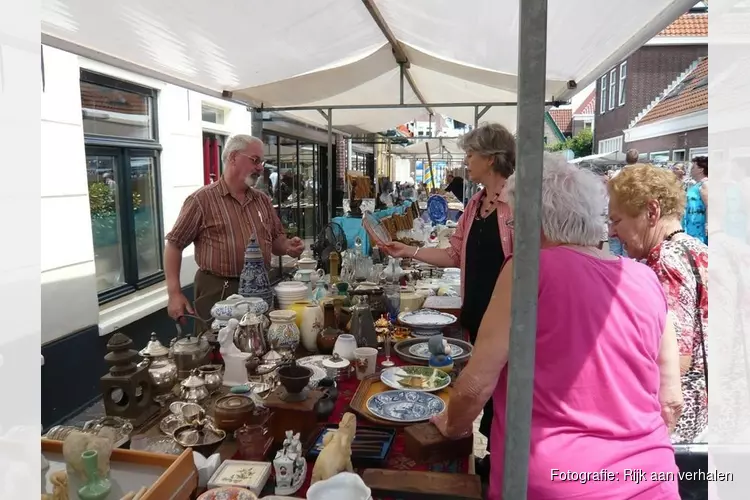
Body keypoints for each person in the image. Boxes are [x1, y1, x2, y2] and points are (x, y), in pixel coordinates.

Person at [431, 155, 682, 499]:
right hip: (652, 479)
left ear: (537, 223)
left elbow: (475, 386)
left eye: (516, 225)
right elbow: (670, 402)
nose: (514, 234)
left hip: (554, 481)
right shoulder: (645, 278)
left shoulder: (529, 271)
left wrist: (451, 424)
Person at [379, 122, 515, 476]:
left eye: (470, 154)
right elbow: (455, 255)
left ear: (492, 157)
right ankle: (492, 468)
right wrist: (408, 251)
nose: (466, 161)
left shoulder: (516, 202)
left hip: (508, 327)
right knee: (490, 403)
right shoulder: (474, 203)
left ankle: (501, 472)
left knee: (507, 406)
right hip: (476, 319)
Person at [608, 164, 708, 444]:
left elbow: (675, 358)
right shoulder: (697, 249)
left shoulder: (665, 262)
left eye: (617, 221)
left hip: (679, 425)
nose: (613, 232)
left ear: (652, 212)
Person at [165, 134, 305, 324]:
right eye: (255, 160)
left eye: (261, 162)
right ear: (233, 158)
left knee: (258, 347)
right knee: (219, 349)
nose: (260, 167)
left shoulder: (262, 200)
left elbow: (276, 242)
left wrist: (288, 246)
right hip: (219, 291)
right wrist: (174, 293)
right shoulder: (201, 200)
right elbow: (174, 245)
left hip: (259, 292)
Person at [684, 156, 708, 244]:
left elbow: (709, 205)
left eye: (693, 167)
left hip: (700, 228)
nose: (691, 170)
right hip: (691, 225)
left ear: (701, 169)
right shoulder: (696, 185)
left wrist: (708, 224)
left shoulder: (705, 184)